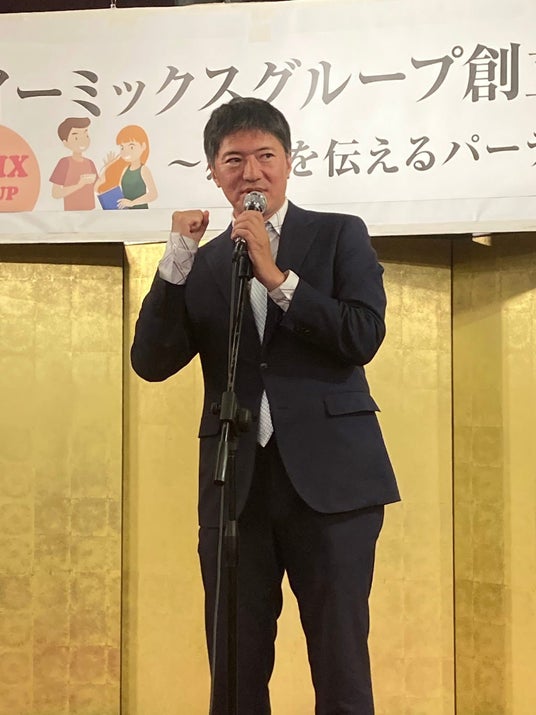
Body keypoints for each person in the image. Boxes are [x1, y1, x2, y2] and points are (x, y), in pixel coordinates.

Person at [131, 97, 400, 715]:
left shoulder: (338, 233)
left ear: (287, 161)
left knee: (340, 663)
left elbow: (363, 335)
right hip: (236, 488)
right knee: (235, 667)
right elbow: (151, 360)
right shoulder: (201, 263)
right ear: (213, 171)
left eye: (264, 156)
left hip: (333, 487)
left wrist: (279, 280)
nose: (250, 172)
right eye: (234, 160)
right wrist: (175, 259)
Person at [94, 124, 157, 209]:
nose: (126, 152)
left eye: (131, 147)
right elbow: (99, 187)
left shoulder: (143, 170)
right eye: (122, 148)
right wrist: (108, 165)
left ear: (143, 146)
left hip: (140, 212)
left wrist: (132, 203)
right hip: (125, 211)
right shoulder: (125, 169)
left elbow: (153, 194)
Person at [49, 117, 97, 211]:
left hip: (91, 212)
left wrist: (108, 166)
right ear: (65, 143)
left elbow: (97, 187)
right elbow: (56, 193)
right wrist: (79, 185)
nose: (83, 141)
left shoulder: (90, 163)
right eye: (76, 137)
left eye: (86, 135)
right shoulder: (64, 163)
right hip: (71, 213)